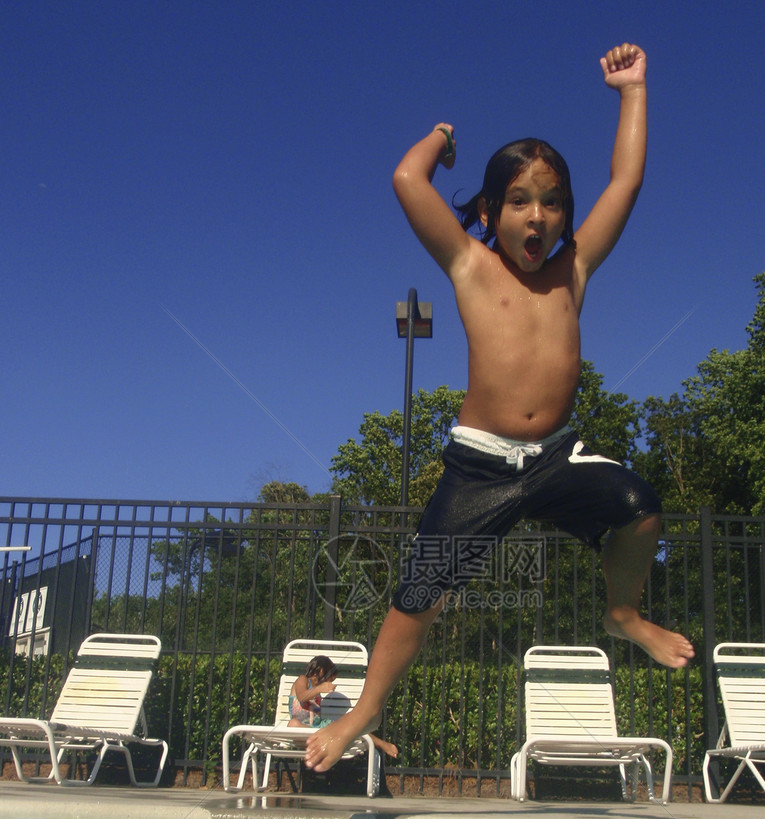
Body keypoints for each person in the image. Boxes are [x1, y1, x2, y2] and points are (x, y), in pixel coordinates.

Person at [307, 42, 693, 774]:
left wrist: (633, 91)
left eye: (552, 202)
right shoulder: (469, 264)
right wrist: (443, 140)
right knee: (418, 595)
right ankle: (364, 708)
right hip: (481, 464)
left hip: (555, 456)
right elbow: (405, 178)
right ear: (489, 211)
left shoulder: (573, 271)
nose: (537, 214)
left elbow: (628, 180)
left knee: (641, 505)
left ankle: (623, 613)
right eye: (519, 200)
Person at [290, 656, 399, 758]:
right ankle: (322, 741)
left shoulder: (317, 690)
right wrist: (320, 689)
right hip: (302, 728)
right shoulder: (302, 679)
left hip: (319, 727)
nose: (328, 681)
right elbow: (301, 697)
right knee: (292, 724)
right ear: (321, 670)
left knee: (350, 725)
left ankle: (381, 744)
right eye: (328, 677)